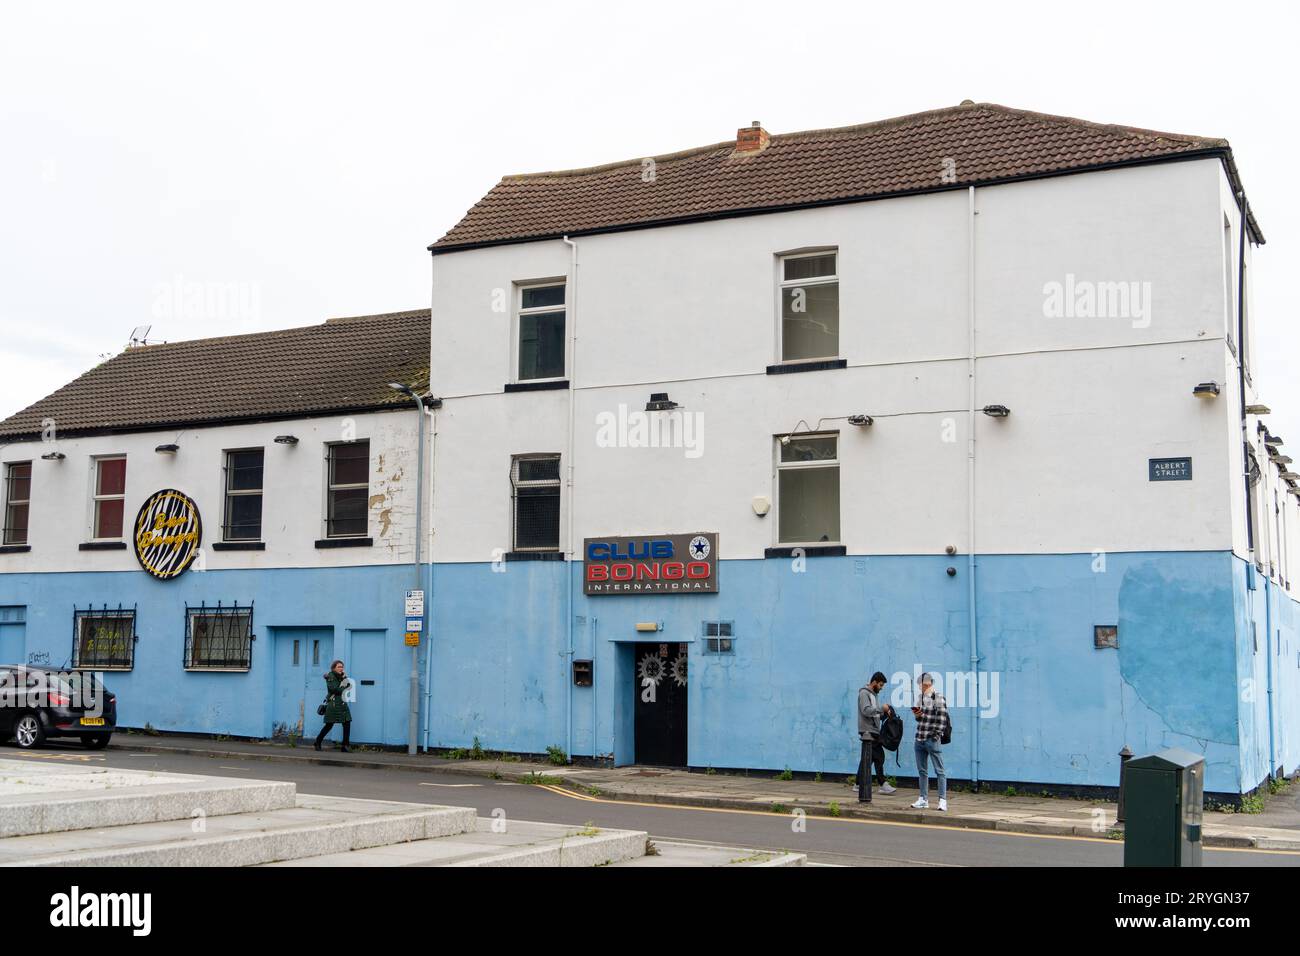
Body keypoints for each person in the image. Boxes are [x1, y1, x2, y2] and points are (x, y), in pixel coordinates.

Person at [910, 672, 949, 811]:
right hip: (919, 738)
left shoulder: (938, 697)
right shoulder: (920, 698)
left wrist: (935, 735)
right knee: (922, 771)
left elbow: (942, 719)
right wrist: (917, 715)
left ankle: (942, 800)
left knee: (940, 770)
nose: (919, 687)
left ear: (926, 683)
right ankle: (923, 799)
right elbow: (919, 719)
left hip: (932, 739)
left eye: (920, 685)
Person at [856, 671, 896, 803]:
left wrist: (885, 714)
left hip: (873, 730)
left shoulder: (873, 695)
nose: (881, 687)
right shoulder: (864, 693)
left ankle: (858, 784)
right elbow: (866, 710)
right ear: (874, 682)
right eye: (880, 685)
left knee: (868, 759)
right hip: (867, 731)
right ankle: (882, 784)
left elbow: (874, 715)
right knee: (879, 757)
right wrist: (881, 709)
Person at [314, 659, 353, 752]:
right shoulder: (330, 676)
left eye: (342, 667)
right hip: (334, 704)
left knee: (347, 723)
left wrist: (344, 678)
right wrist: (344, 687)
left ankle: (345, 745)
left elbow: (349, 686)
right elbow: (334, 689)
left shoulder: (342, 676)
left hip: (342, 703)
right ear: (334, 668)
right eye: (339, 667)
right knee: (329, 725)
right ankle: (318, 742)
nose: (341, 668)